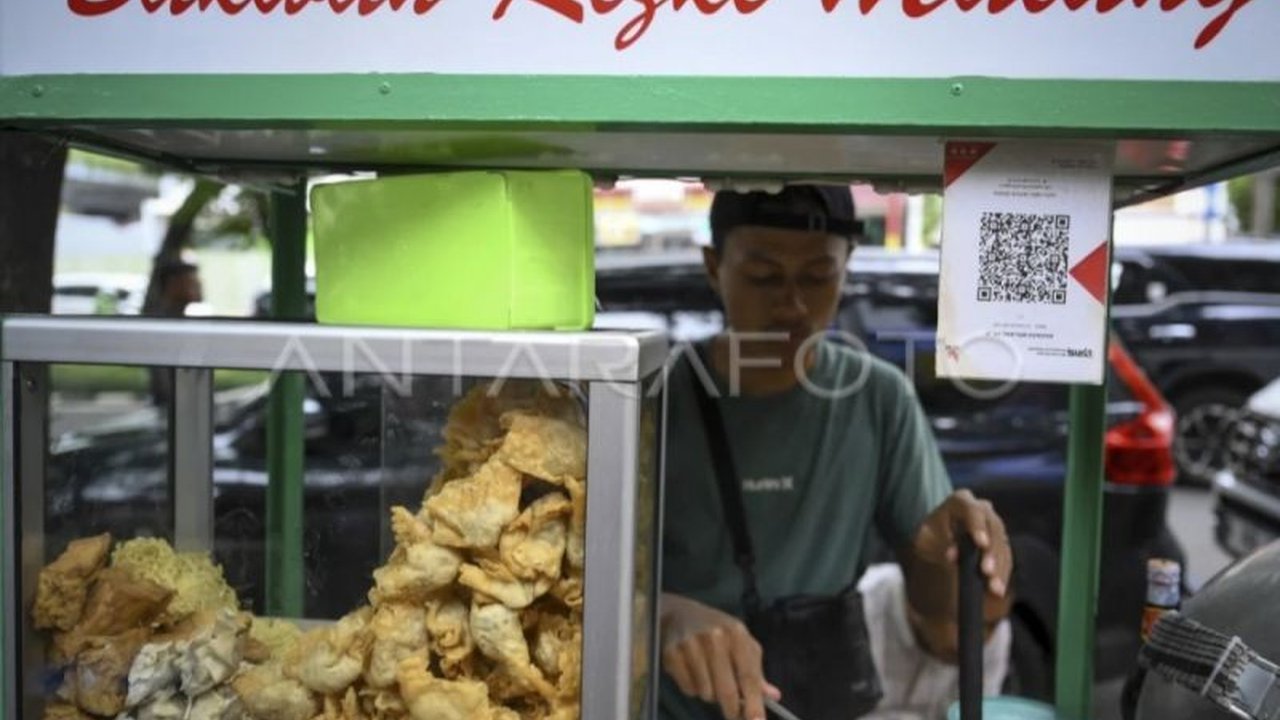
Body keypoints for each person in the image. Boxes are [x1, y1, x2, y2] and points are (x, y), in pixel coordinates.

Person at [658, 184, 1014, 720]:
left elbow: (945, 621)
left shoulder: (877, 399)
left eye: (818, 276)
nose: (793, 303)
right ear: (714, 267)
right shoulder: (656, 401)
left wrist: (955, 554)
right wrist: (659, 615)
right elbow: (572, 584)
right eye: (763, 276)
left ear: (847, 269)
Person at [147, 258, 204, 406]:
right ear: (173, 285)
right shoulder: (165, 327)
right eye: (191, 280)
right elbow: (167, 384)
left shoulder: (179, 321)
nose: (198, 285)